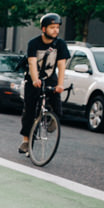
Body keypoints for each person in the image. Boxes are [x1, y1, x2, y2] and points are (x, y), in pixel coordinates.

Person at [18, 13, 70, 154]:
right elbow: (32, 63)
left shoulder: (60, 44)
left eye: (57, 27)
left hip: (49, 77)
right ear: (43, 28)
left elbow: (61, 65)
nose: (56, 30)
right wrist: (35, 79)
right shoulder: (34, 43)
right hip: (32, 78)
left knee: (56, 101)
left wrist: (60, 85)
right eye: (52, 27)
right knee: (29, 110)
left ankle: (52, 118)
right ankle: (26, 140)